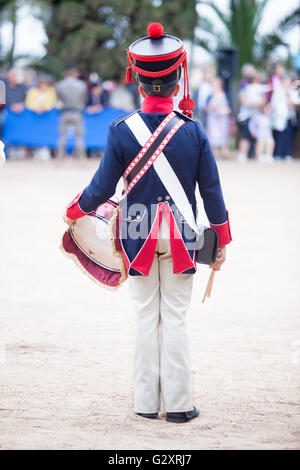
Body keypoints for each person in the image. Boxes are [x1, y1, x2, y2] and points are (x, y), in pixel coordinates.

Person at [63, 22, 232, 423]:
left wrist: (74, 211)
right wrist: (222, 238)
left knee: (144, 316)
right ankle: (177, 405)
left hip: (135, 236)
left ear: (138, 80)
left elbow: (101, 188)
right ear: (177, 80)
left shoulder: (120, 130)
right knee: (174, 316)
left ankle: (143, 404)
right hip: (182, 237)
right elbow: (212, 192)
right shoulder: (193, 131)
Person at [56, 65, 87, 159]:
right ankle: (81, 157)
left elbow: (59, 99)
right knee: (79, 136)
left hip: (65, 112)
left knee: (62, 136)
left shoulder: (59, 85)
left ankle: (59, 156)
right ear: (74, 73)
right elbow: (84, 99)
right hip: (77, 112)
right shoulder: (82, 85)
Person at [237, 70, 267, 162]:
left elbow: (263, 101)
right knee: (245, 136)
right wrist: (257, 103)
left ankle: (259, 155)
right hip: (246, 116)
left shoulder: (260, 89)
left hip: (257, 117)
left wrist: (255, 103)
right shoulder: (244, 89)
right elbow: (246, 103)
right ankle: (242, 154)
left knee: (259, 136)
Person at [271, 75, 296, 162]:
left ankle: (287, 154)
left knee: (288, 136)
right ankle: (278, 154)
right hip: (280, 117)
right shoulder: (278, 91)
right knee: (279, 136)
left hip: (289, 116)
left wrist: (292, 103)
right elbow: (274, 103)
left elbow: (296, 101)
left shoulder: (292, 91)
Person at [205, 77, 231, 159]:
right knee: (213, 136)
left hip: (223, 119)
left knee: (224, 137)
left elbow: (230, 108)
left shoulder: (226, 95)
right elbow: (206, 109)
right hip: (213, 120)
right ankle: (215, 155)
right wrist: (212, 107)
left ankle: (225, 153)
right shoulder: (210, 96)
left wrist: (222, 111)